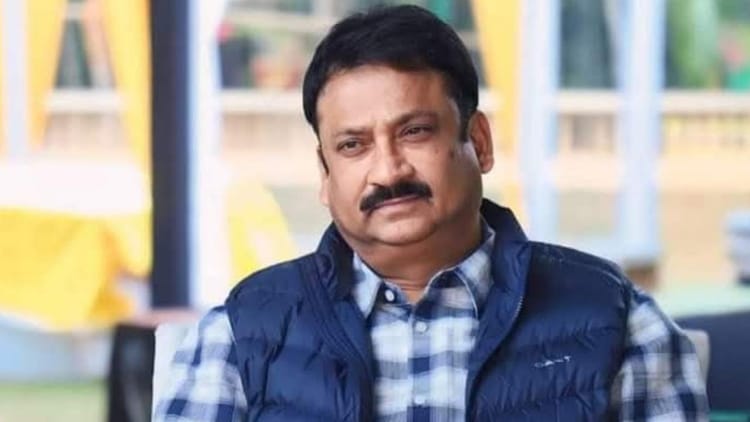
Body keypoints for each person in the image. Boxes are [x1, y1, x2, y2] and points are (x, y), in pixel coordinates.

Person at [154, 5, 708, 421]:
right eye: (353, 146)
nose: (388, 170)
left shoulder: (615, 320)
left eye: (415, 132)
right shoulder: (240, 336)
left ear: (479, 142)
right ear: (325, 174)